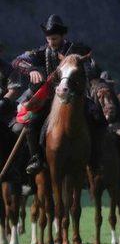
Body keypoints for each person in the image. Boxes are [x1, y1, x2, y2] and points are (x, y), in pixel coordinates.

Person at [11, 15, 104, 175]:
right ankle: (36, 158)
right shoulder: (41, 52)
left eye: (54, 38)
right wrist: (32, 69)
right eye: (49, 39)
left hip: (75, 97)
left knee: (97, 116)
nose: (51, 42)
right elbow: (17, 61)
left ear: (62, 36)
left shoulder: (77, 50)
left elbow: (91, 66)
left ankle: (95, 159)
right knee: (31, 122)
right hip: (50, 98)